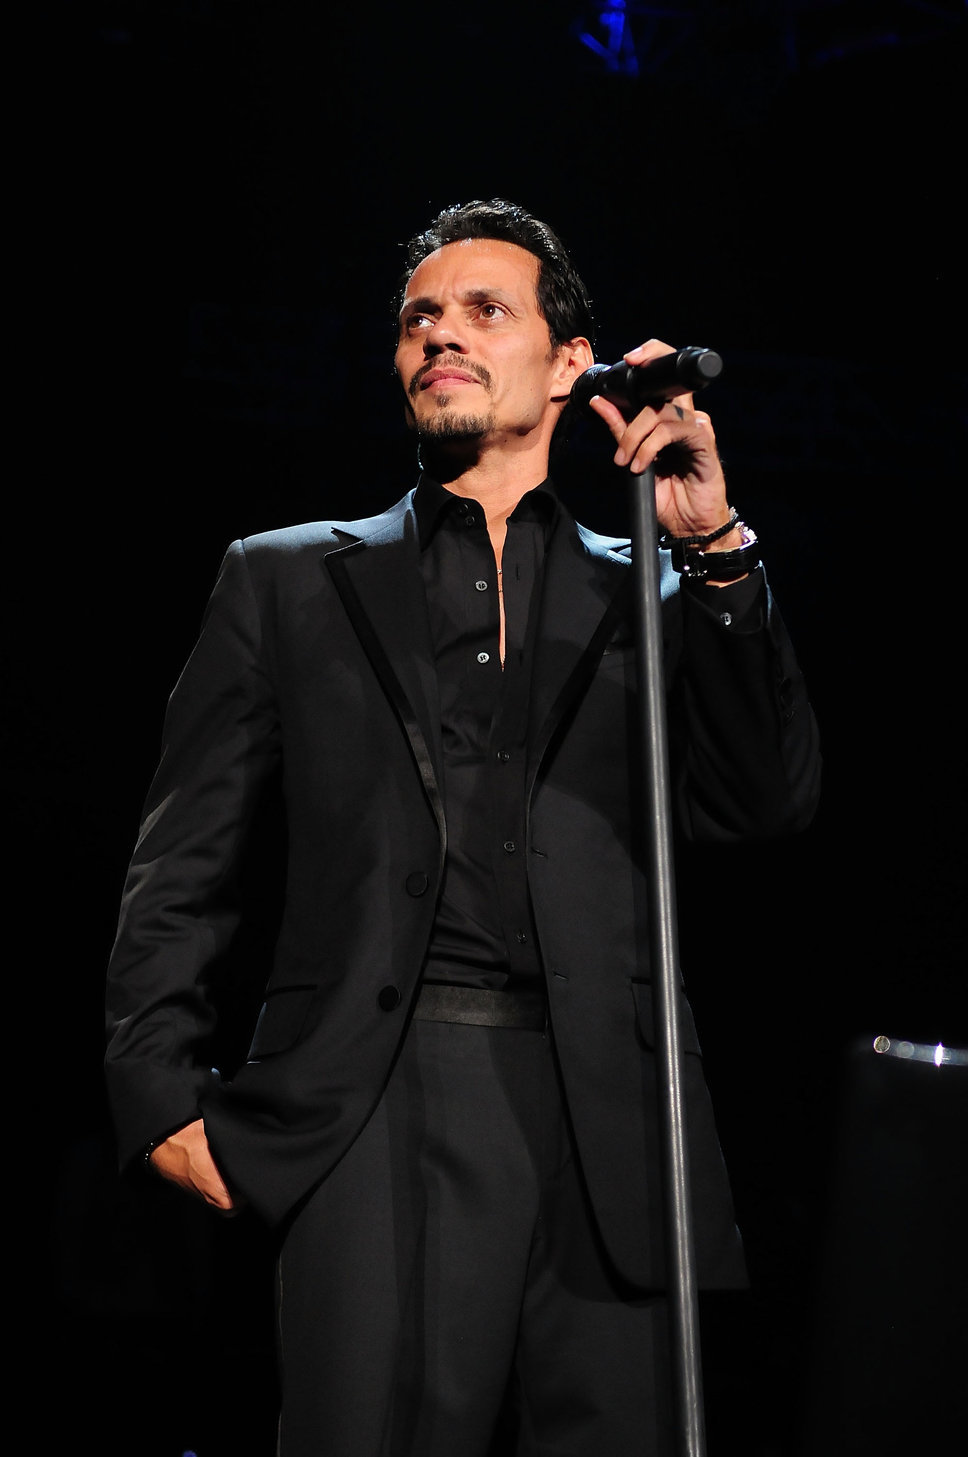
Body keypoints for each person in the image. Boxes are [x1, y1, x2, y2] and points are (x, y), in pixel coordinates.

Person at [104, 198, 821, 1455]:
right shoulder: (282, 577)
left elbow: (765, 799)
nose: (440, 333)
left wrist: (712, 544)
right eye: (418, 318)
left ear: (569, 363)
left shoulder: (655, 587)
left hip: (612, 1117)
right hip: (370, 1096)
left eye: (485, 310)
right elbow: (184, 856)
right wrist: (155, 1086)